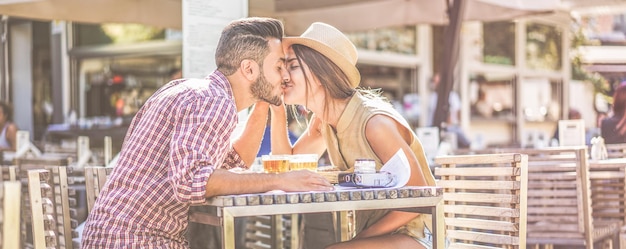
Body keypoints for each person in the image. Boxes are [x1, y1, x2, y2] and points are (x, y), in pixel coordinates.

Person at [81, 17, 333, 248]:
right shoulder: (214, 102)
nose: (285, 76)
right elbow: (192, 182)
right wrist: (281, 180)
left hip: (113, 236)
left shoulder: (195, 91)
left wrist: (265, 102)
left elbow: (233, 164)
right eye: (279, 67)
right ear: (249, 69)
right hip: (137, 241)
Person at [263, 22, 441, 249]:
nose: (283, 76)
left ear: (321, 73)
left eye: (293, 66)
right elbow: (289, 166)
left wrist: (359, 240)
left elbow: (420, 199)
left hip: (419, 235)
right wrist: (276, 107)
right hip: (381, 236)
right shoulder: (324, 120)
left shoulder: (374, 124)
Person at [428, 74, 470, 149]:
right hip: (435, 128)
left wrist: (456, 124)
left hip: (451, 127)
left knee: (464, 142)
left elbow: (457, 112)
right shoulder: (433, 97)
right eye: (435, 82)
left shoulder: (452, 96)